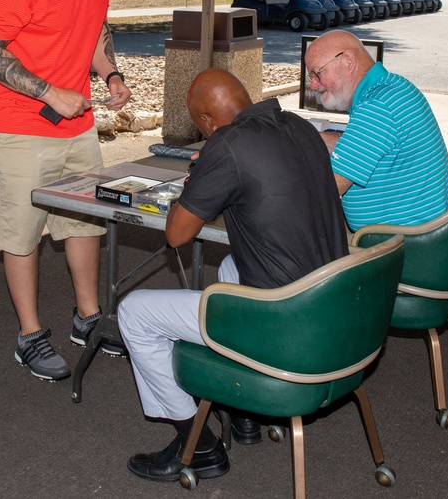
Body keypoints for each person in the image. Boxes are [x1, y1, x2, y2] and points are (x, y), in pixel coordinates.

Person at [117, 68, 349, 484]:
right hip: (334, 301)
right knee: (229, 268)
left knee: (134, 312)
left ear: (207, 122)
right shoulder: (298, 125)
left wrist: (201, 177)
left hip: (285, 322)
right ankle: (244, 414)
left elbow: (176, 235)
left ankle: (198, 445)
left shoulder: (227, 144)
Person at [0, 0, 138, 381]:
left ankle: (87, 319)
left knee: (84, 222)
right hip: (18, 124)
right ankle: (29, 336)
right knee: (23, 233)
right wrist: (48, 92)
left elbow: (94, 31)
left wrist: (111, 74)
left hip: (78, 125)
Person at [303, 29, 448, 231]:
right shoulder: (395, 87)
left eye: (317, 73)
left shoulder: (377, 107)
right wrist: (308, 137)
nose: (313, 85)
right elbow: (363, 146)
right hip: (421, 229)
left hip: (399, 244)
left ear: (348, 60)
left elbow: (325, 189)